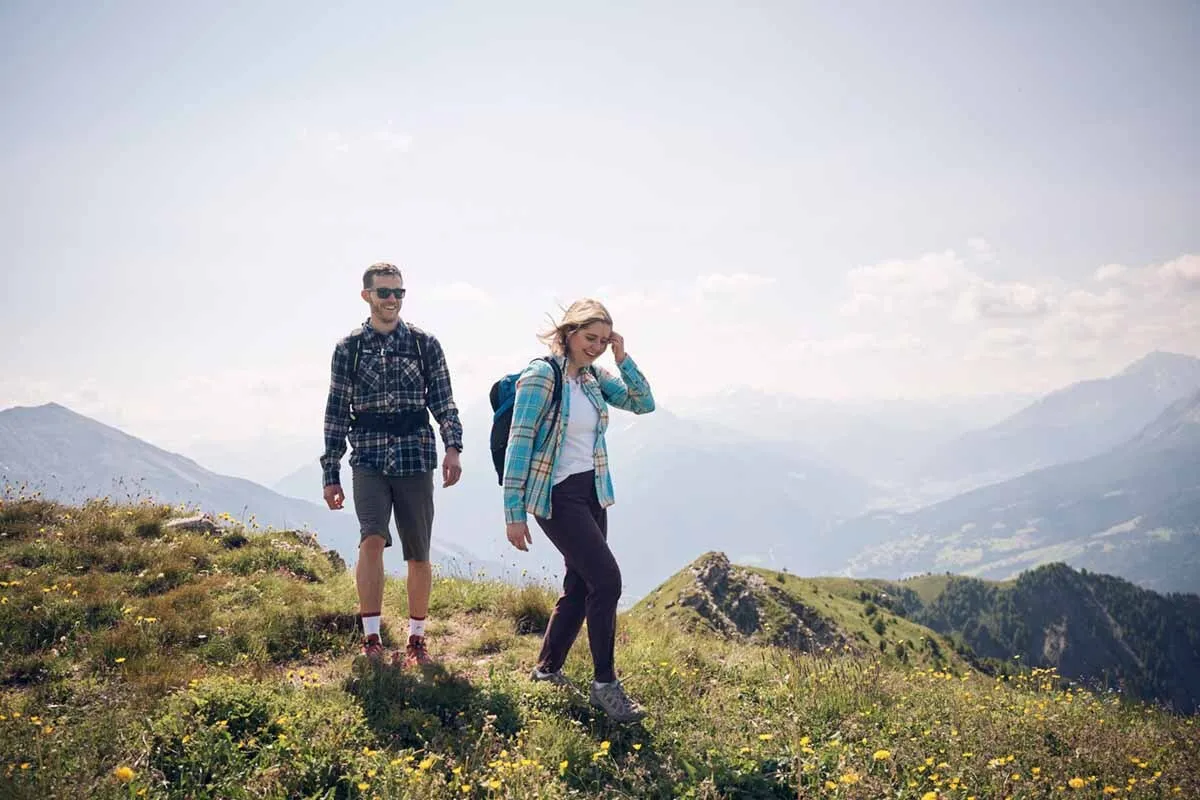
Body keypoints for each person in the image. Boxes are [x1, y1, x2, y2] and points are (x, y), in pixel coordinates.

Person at [502, 298, 655, 722]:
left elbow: (643, 403)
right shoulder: (540, 377)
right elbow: (520, 443)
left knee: (581, 583)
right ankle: (605, 685)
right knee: (607, 580)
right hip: (556, 495)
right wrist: (513, 512)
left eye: (605, 341)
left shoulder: (592, 378)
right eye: (591, 338)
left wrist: (624, 359)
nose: (597, 347)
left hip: (590, 492)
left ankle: (546, 672)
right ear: (568, 333)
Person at [321, 262, 463, 667]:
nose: (392, 300)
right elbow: (335, 412)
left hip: (416, 454)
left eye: (399, 292)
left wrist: (453, 446)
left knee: (418, 550)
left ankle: (417, 638)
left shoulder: (424, 344)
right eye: (384, 292)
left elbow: (443, 400)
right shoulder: (348, 349)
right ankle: (371, 637)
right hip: (367, 455)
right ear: (366, 295)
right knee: (371, 539)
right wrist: (330, 472)